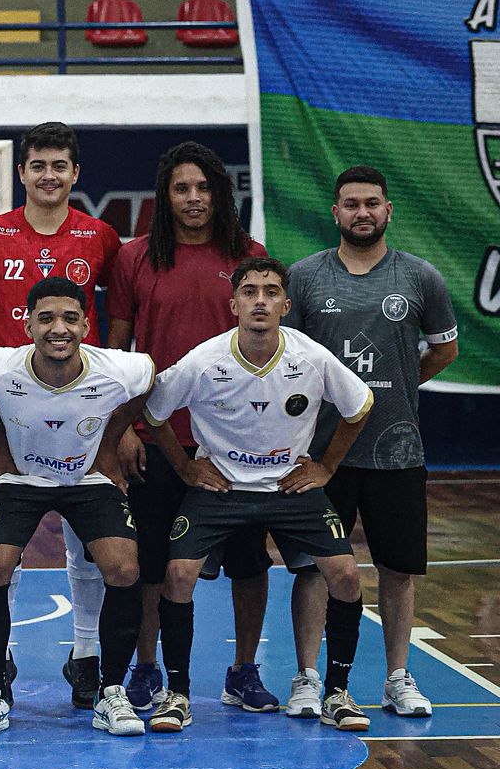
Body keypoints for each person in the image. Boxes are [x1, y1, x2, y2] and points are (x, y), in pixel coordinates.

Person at [144, 256, 374, 733]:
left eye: (271, 292)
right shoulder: (206, 359)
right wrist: (187, 467)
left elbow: (360, 406)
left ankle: (337, 693)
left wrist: (326, 465)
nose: (261, 300)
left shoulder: (309, 356)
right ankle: (178, 694)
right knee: (178, 574)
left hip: (290, 487)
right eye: (250, 292)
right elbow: (153, 411)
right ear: (234, 304)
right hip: (221, 487)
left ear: (285, 305)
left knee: (346, 576)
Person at [0, 121, 122, 711]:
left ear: (75, 174)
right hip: (11, 403)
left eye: (60, 166)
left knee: (87, 537)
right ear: (21, 172)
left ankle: (86, 653)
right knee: (5, 540)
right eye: (38, 166)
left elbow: (114, 313)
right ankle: (1, 661)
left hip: (84, 400)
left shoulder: (100, 236)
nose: (49, 176)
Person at [107, 142, 278, 715]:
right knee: (153, 563)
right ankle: (148, 668)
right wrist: (125, 428)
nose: (193, 198)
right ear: (166, 196)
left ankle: (243, 671)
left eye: (203, 187)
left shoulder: (250, 258)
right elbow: (117, 353)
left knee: (249, 564)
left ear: (220, 192)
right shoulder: (135, 258)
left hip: (239, 444)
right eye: (182, 188)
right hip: (159, 436)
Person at [284, 165, 459, 719]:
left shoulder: (421, 277)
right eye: (352, 204)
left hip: (398, 450)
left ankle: (397, 678)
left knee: (397, 568)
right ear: (335, 212)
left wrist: (400, 381)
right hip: (320, 456)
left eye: (373, 203)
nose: (363, 212)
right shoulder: (305, 278)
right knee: (314, 567)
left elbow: (443, 350)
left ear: (388, 211)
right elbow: (288, 358)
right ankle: (308, 679)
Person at [0, 276, 154, 737]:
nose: (58, 328)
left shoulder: (121, 370)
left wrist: (110, 444)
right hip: (21, 478)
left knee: (125, 568)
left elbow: (150, 383)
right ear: (27, 324)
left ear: (87, 326)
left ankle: (111, 691)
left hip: (86, 477)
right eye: (46, 318)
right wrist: (0, 452)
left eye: (70, 318)